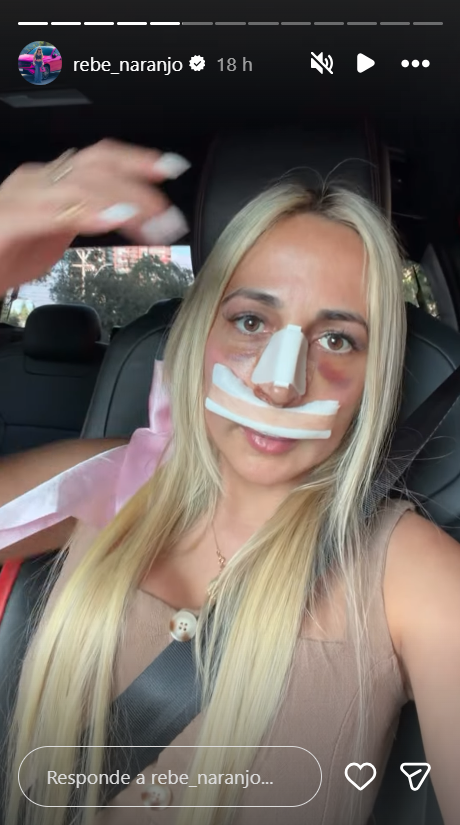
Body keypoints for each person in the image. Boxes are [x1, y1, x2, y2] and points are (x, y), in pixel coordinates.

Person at [0, 140, 459, 825]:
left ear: (375, 378)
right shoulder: (101, 481)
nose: (279, 384)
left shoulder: (411, 571)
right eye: (251, 321)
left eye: (338, 340)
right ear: (199, 333)